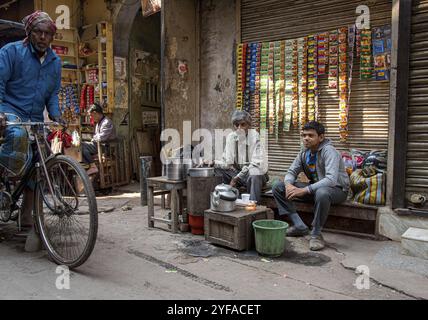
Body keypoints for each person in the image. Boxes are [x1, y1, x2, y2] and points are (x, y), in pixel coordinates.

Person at [0, 11, 62, 252]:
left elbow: (53, 94)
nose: (43, 37)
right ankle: (6, 177)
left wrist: (56, 115)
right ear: (29, 33)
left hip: (35, 116)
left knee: (42, 161)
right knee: (18, 136)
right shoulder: (10, 52)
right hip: (10, 109)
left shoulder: (55, 62)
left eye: (47, 33)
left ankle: (30, 219)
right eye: (38, 32)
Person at [272, 121, 350, 251]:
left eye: (310, 135)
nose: (306, 138)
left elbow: (331, 180)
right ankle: (299, 225)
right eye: (304, 135)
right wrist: (288, 184)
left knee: (322, 192)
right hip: (315, 188)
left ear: (321, 137)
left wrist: (305, 190)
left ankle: (316, 234)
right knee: (278, 186)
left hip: (337, 190)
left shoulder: (329, 151)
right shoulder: (304, 153)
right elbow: (291, 172)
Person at [213, 110, 268, 203]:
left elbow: (255, 164)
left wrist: (236, 178)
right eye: (236, 125)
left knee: (254, 173)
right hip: (238, 174)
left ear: (249, 125)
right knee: (217, 170)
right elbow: (227, 162)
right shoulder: (231, 137)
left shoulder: (255, 137)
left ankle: (254, 206)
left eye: (243, 124)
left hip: (254, 175)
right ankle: (225, 201)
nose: (239, 128)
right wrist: (213, 162)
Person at [82, 103, 116, 175]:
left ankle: (92, 166)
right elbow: (97, 137)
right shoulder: (98, 123)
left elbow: (101, 137)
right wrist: (93, 139)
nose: (91, 118)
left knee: (82, 146)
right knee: (81, 147)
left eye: (91, 115)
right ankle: (91, 167)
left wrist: (93, 138)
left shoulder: (107, 122)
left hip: (105, 147)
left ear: (95, 113)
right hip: (99, 145)